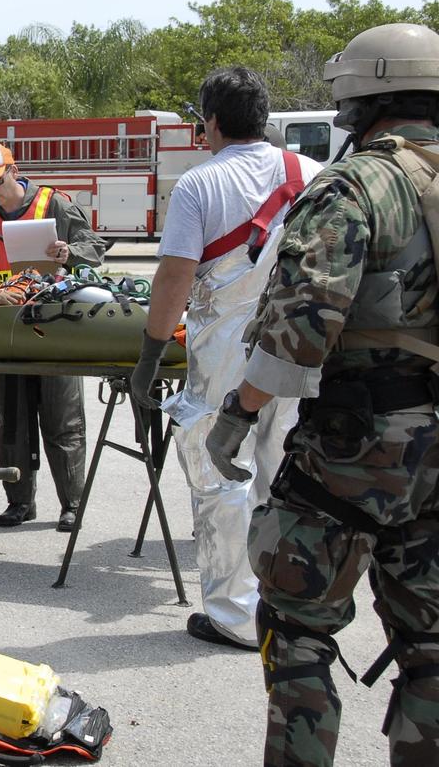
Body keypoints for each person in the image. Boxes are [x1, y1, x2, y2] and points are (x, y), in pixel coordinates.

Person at [207, 23, 439, 766]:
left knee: (297, 626)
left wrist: (236, 415)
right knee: (431, 638)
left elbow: (297, 332)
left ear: (359, 93)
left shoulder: (356, 184)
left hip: (358, 443)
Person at [129, 68, 323, 650]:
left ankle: (234, 616)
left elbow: (174, 277)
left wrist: (149, 357)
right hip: (296, 344)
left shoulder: (199, 185)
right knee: (284, 469)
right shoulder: (312, 175)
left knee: (220, 473)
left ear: (210, 121)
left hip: (224, 351)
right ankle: (285, 602)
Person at [0, 141, 107, 531]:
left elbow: (95, 246)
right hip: (8, 325)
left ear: (13, 169)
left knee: (62, 420)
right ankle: (20, 501)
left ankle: (71, 504)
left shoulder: (53, 203)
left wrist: (68, 251)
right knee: (12, 419)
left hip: (55, 324)